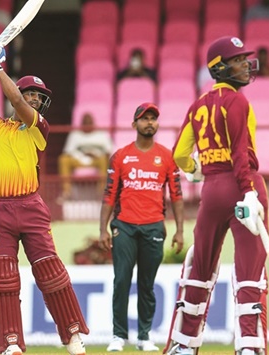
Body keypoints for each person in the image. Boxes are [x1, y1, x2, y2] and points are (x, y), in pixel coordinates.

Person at [0, 38, 89, 355]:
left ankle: (72, 333)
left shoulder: (38, 126)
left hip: (30, 206)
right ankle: (11, 343)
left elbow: (17, 101)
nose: (32, 99)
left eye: (38, 96)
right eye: (30, 93)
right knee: (2, 278)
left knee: (49, 269)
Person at [164, 36, 269, 355]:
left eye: (243, 59)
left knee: (201, 266)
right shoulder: (237, 100)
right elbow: (241, 152)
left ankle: (183, 345)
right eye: (237, 60)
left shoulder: (198, 104)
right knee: (250, 266)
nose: (244, 65)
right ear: (219, 68)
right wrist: (249, 192)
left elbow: (179, 154)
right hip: (242, 184)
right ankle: (249, 347)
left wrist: (197, 169)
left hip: (211, 190)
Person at [99, 102, 185, 352]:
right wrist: (103, 229)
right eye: (144, 118)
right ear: (134, 124)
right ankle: (118, 335)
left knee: (147, 284)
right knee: (122, 280)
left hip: (154, 227)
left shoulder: (167, 156)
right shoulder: (121, 156)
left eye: (153, 119)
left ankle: (144, 336)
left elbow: (177, 196)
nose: (150, 122)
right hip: (124, 226)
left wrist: (180, 230)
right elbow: (109, 195)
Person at [58, 112, 113, 201]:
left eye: (89, 123)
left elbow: (109, 151)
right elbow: (67, 152)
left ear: (93, 123)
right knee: (63, 159)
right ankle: (67, 192)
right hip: (79, 160)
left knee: (104, 160)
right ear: (81, 124)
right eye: (85, 123)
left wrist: (96, 154)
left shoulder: (101, 134)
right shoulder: (75, 134)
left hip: (97, 159)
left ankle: (102, 193)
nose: (87, 125)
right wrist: (82, 154)